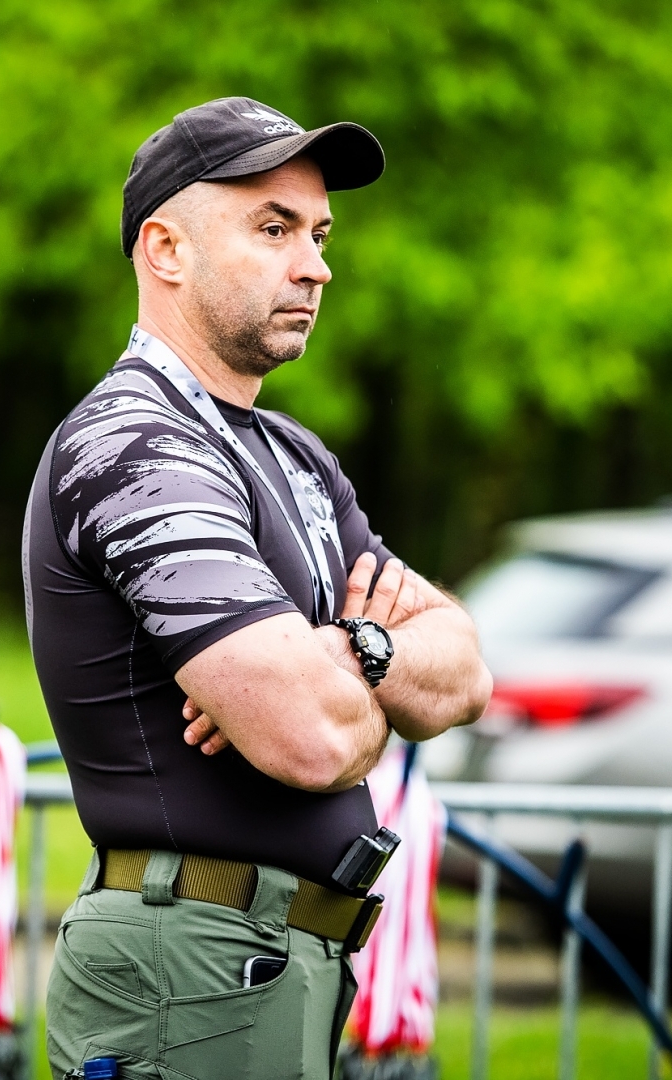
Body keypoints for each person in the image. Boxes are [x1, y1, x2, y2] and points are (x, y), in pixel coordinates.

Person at [25, 97, 492, 1080]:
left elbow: (465, 673)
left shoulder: (295, 455)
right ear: (166, 250)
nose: (315, 266)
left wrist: (350, 651)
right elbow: (309, 736)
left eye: (319, 235)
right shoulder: (133, 444)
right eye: (274, 229)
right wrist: (366, 686)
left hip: (276, 967)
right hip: (186, 973)